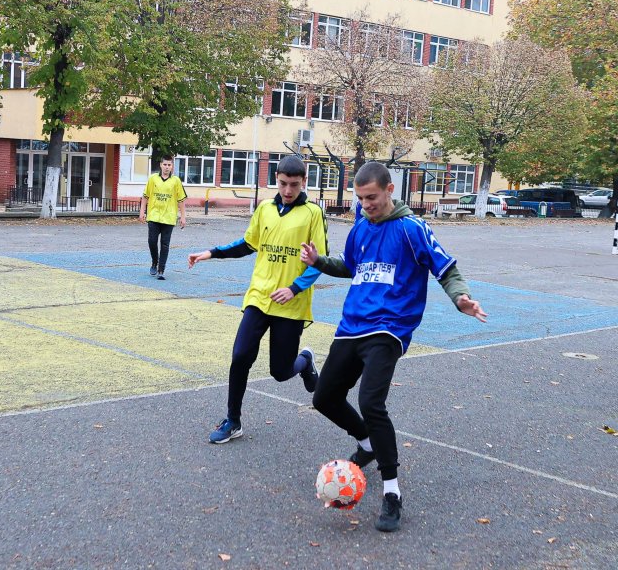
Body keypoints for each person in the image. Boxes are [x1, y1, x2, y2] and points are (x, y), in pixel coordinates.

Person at [300, 161, 487, 533]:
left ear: (389, 190)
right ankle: (367, 444)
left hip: (389, 329)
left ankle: (391, 492)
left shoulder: (411, 228)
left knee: (371, 401)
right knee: (324, 398)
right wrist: (319, 261)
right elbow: (350, 266)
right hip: (351, 326)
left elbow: (445, 268)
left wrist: (460, 297)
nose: (366, 204)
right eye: (360, 198)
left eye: (371, 197)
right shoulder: (360, 228)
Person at [187, 155, 326, 444]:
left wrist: (294, 288)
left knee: (280, 371)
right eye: (284, 184)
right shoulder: (264, 209)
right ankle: (233, 420)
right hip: (260, 297)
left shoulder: (313, 213)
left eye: (295, 185)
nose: (288, 191)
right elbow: (247, 244)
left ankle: (305, 361)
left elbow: (319, 262)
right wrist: (211, 252)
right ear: (276, 179)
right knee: (240, 357)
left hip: (291, 304)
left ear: (304, 183)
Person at [139, 156, 187, 280]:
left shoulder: (176, 181)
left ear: (172, 167)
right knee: (152, 241)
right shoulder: (153, 179)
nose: (167, 167)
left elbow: (181, 200)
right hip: (154, 216)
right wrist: (142, 212)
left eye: (169, 165)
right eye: (165, 164)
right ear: (160, 165)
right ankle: (155, 261)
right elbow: (145, 196)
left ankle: (161, 269)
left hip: (169, 217)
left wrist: (183, 216)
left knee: (165, 244)